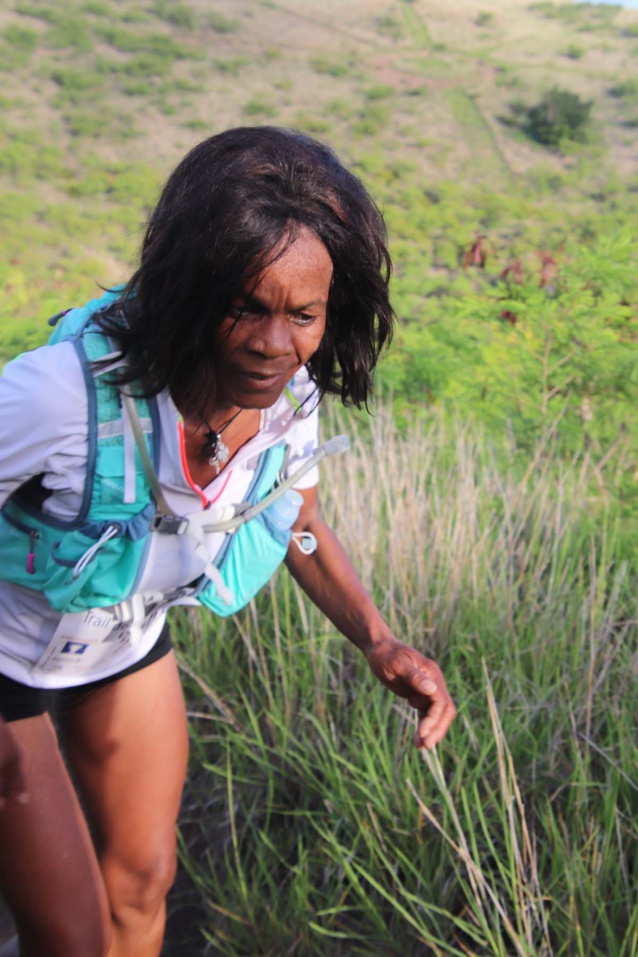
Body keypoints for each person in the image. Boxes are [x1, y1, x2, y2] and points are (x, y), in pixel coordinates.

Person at [0, 127, 456, 957]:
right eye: (244, 304)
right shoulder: (60, 395)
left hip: (122, 642)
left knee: (143, 885)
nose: (272, 342)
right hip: (4, 659)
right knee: (68, 933)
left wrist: (378, 640)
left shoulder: (291, 401)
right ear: (188, 286)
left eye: (303, 315)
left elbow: (300, 523)